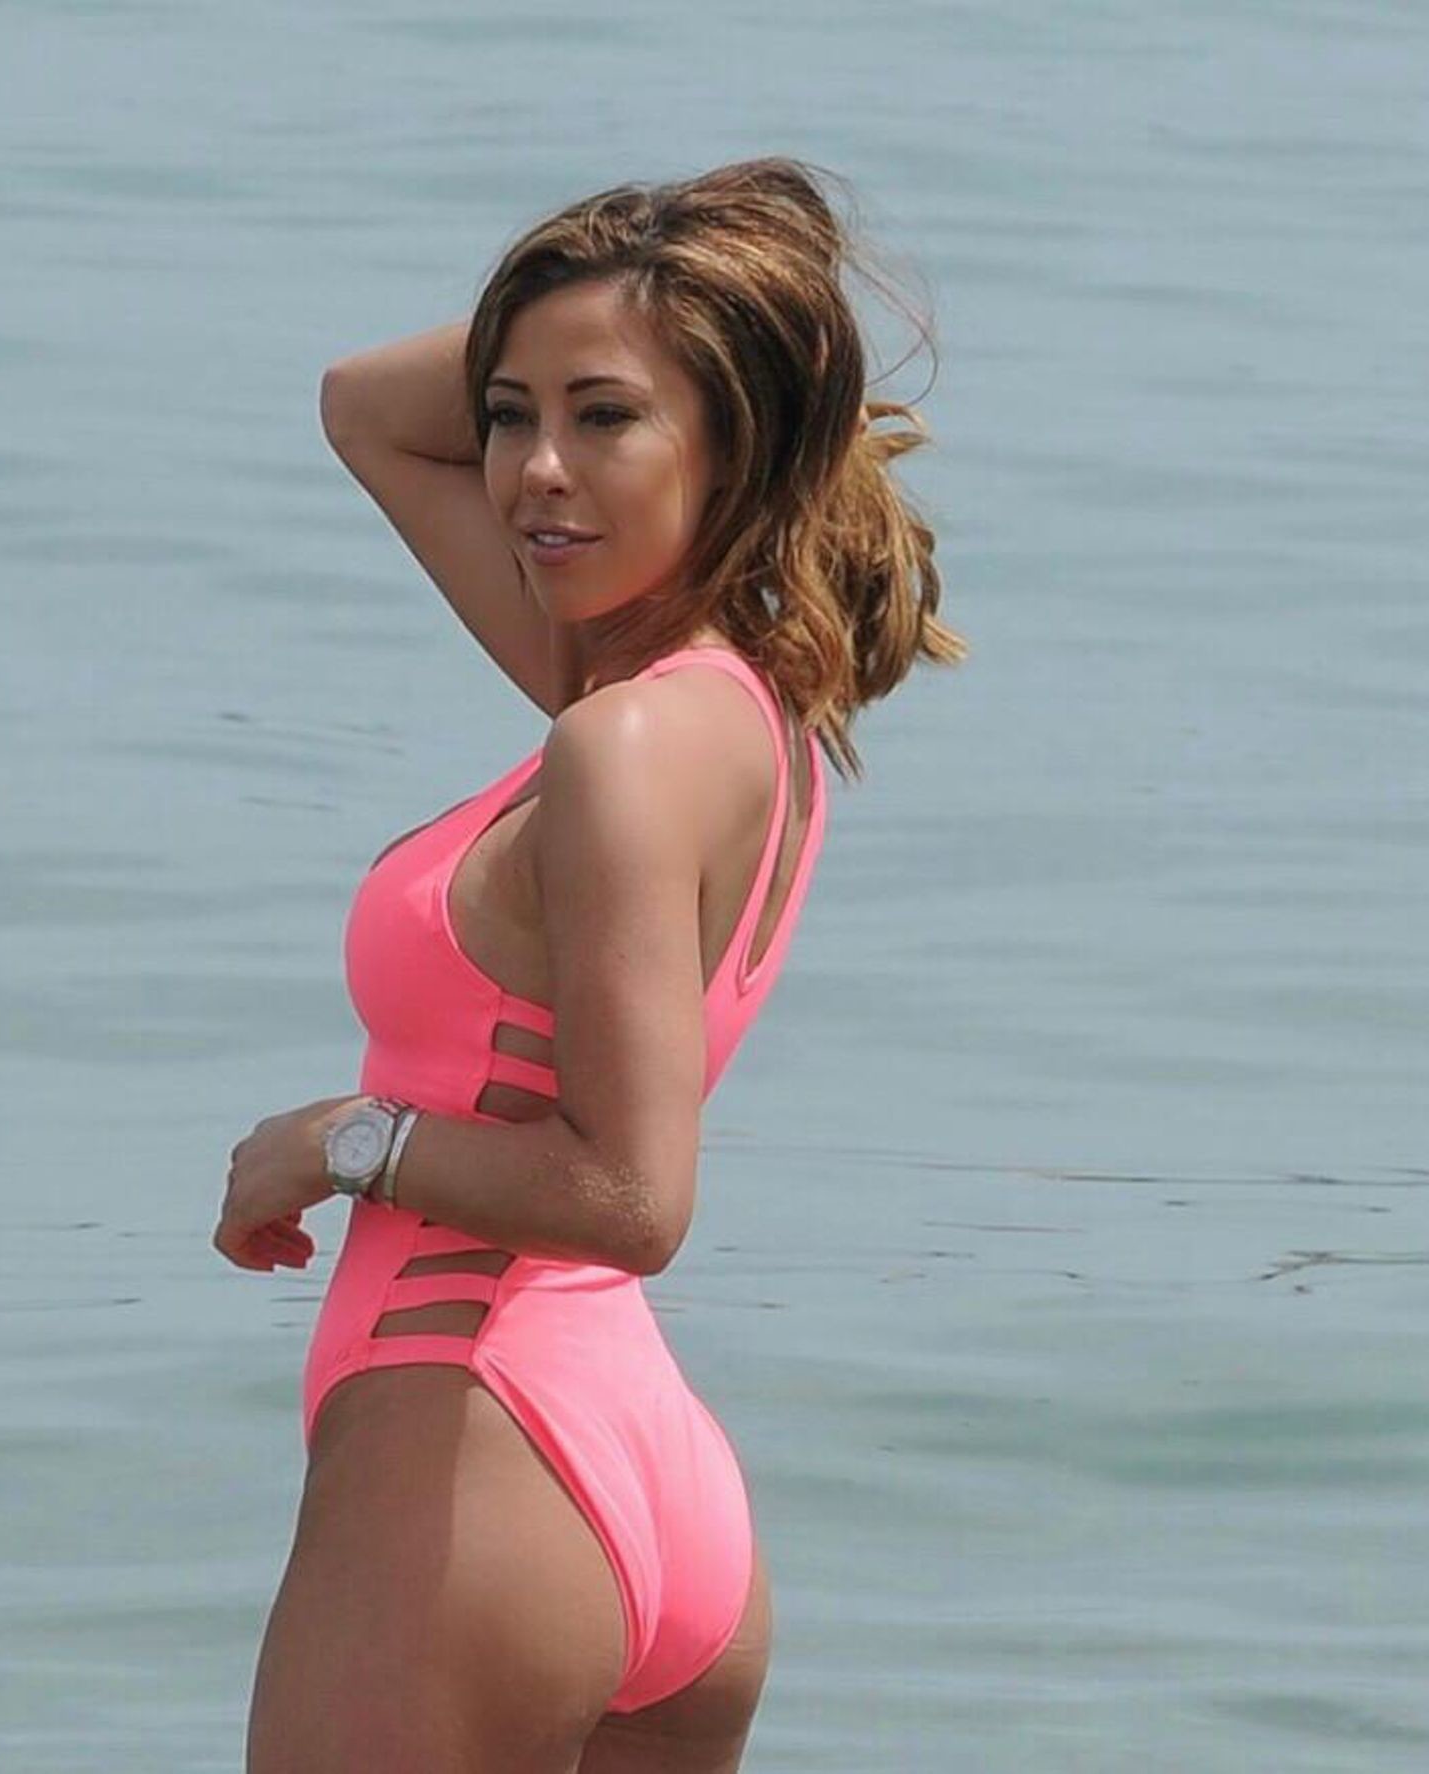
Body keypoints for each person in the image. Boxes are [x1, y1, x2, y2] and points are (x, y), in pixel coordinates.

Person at [214, 156, 965, 1773]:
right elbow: (364, 407)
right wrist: (655, 306)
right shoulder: (731, 704)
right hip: (635, 1471)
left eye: (606, 417)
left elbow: (634, 1194)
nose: (535, 471)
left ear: (735, 438)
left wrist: (343, 1140)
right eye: (510, 415)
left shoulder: (616, 743)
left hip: (473, 1442)